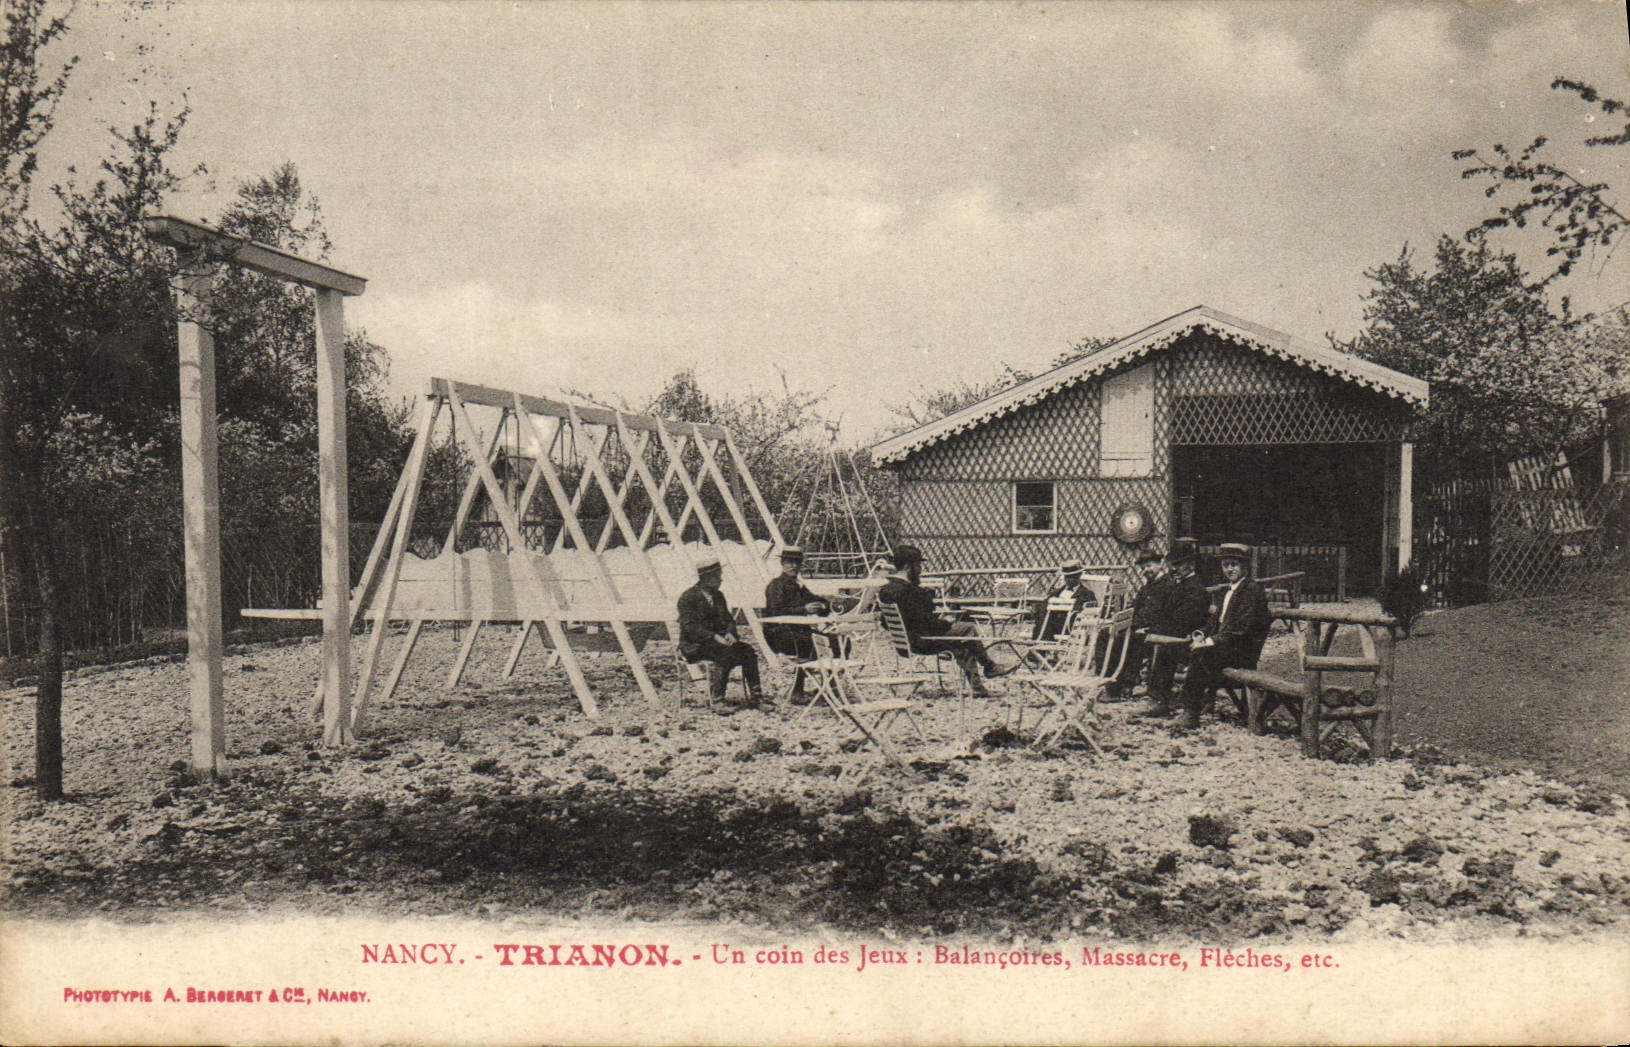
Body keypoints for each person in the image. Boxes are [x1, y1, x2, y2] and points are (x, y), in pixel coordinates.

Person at [878, 545, 1013, 697]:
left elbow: (885, 622)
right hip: (922, 642)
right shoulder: (910, 592)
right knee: (968, 628)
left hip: (904, 642)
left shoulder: (886, 591)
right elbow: (928, 623)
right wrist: (946, 622)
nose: (920, 570)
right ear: (908, 567)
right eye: (918, 565)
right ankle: (989, 666)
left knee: (964, 643)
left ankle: (978, 687)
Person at [1175, 541, 1271, 729]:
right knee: (1185, 648)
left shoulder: (1251, 591)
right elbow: (1215, 620)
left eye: (1234, 565)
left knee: (1201, 654)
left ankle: (1191, 711)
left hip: (1243, 651)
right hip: (1227, 646)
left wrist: (1209, 642)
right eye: (1226, 565)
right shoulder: (1230, 590)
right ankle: (1189, 699)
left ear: (1244, 566)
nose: (1229, 569)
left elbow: (1239, 629)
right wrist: (1200, 634)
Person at [1128, 538, 1211, 715]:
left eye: (1179, 564)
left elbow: (1182, 622)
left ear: (1191, 565)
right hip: (1176, 635)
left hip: (1188, 641)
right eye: (1173, 564)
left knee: (1163, 646)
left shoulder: (1195, 589)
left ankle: (1159, 699)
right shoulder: (1180, 585)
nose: (1173, 568)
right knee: (1152, 640)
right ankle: (1150, 693)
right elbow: (1166, 615)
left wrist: (1152, 630)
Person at [677, 555, 765, 711]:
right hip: (694, 645)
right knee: (724, 653)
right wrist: (714, 636)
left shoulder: (718, 596)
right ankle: (717, 700)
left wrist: (731, 633)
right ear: (705, 578)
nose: (720, 580)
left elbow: (729, 619)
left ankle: (756, 697)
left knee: (748, 651)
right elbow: (690, 627)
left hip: (718, 643)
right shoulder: (688, 598)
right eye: (717, 576)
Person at [763, 546, 830, 702]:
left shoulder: (798, 586)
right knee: (810, 643)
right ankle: (796, 691)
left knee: (838, 642)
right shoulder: (776, 586)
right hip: (779, 634)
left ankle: (829, 687)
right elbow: (777, 611)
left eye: (797, 563)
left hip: (798, 632)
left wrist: (822, 605)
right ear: (782, 564)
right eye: (789, 562)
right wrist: (804, 609)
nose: (793, 566)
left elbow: (817, 599)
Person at [1029, 559, 1098, 640]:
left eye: (1072, 576)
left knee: (1043, 623)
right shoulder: (1057, 592)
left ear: (1079, 576)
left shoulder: (1086, 594)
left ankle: (1038, 645)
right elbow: (1044, 605)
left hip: (1070, 626)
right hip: (1051, 624)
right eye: (1067, 576)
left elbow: (1087, 612)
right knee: (1041, 614)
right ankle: (1039, 645)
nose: (1069, 579)